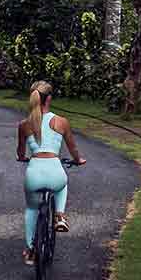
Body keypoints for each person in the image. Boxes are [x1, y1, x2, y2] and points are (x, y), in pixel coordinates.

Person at [17, 80, 85, 266]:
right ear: (49, 99)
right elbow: (73, 149)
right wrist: (78, 160)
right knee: (62, 185)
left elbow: (20, 153)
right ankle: (60, 215)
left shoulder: (24, 124)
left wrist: (23, 158)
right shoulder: (61, 122)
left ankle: (30, 250)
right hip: (55, 171)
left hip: (34, 173)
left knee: (31, 209)